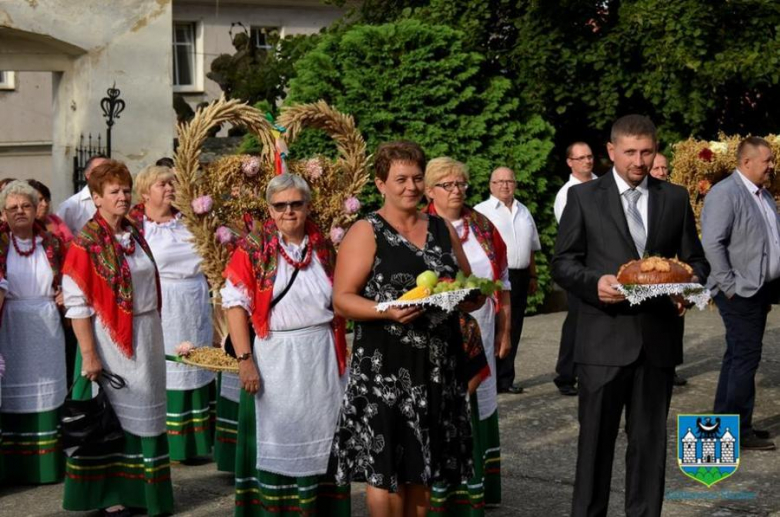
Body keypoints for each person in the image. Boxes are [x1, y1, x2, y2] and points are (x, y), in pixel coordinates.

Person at [553, 115, 708, 516]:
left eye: (647, 152)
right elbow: (563, 263)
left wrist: (688, 291)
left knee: (649, 448)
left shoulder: (674, 197)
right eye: (630, 153)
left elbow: (696, 261)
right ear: (611, 151)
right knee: (594, 450)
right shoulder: (583, 198)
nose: (639, 161)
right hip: (602, 343)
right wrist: (594, 284)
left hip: (657, 344)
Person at [330, 141, 477, 517]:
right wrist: (386, 310)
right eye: (400, 179)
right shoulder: (367, 230)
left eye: (416, 178)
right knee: (387, 471)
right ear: (380, 184)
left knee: (422, 469)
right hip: (385, 368)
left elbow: (466, 284)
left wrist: (466, 294)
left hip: (435, 367)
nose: (410, 187)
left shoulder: (442, 228)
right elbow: (342, 300)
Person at [221, 173, 350, 515]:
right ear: (269, 209)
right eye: (280, 205)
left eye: (296, 204)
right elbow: (236, 305)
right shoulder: (252, 249)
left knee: (326, 431)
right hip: (275, 354)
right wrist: (245, 360)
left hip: (321, 352)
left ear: (308, 206)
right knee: (278, 436)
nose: (288, 211)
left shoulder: (324, 246)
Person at [61, 160, 173, 516]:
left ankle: (145, 495)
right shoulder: (86, 243)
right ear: (96, 198)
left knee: (147, 414)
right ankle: (111, 496)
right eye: (114, 192)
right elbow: (77, 305)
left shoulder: (134, 233)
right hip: (109, 339)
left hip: (146, 335)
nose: (123, 197)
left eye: (126, 190)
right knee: (115, 419)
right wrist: (89, 355)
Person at [423, 157, 511, 512]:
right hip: (439, 332)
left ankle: (478, 488)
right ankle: (441, 492)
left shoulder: (484, 226)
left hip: (483, 327)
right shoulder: (420, 226)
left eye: (461, 183)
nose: (456, 190)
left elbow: (503, 281)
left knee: (478, 402)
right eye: (447, 184)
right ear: (430, 191)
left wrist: (506, 330)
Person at [130, 164, 215, 461]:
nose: (170, 188)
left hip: (194, 297)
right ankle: (168, 443)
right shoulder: (137, 226)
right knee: (169, 368)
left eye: (172, 183)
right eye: (162, 184)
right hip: (163, 301)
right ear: (144, 193)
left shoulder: (191, 221)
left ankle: (195, 443)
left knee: (196, 364)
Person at [701, 136, 778, 451]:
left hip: (760, 289)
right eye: (768, 160)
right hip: (740, 292)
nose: (772, 166)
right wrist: (729, 286)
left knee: (738, 356)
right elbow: (712, 243)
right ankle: (737, 431)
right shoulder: (725, 193)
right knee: (745, 357)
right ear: (747, 162)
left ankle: (728, 425)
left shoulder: (764, 195)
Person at [0, 180, 67, 484]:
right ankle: (15, 469)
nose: (20, 212)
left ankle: (47, 468)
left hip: (46, 324)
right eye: (12, 207)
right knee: (13, 392)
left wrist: (67, 292)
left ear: (36, 208)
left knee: (47, 391)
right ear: (3, 214)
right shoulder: (0, 244)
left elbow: (70, 278)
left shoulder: (52, 244)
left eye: (26, 205)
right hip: (11, 323)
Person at [475, 167, 540, 394]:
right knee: (493, 326)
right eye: (499, 181)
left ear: (515, 184)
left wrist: (533, 274)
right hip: (494, 278)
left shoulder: (524, 211)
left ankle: (506, 378)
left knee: (515, 326)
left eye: (509, 181)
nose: (505, 185)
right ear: (491, 185)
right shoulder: (480, 211)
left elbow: (532, 246)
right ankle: (488, 378)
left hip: (521, 275)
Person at [552, 142, 598, 397]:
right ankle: (566, 374)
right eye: (580, 158)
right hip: (580, 266)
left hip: (601, 263)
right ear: (570, 162)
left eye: (589, 157)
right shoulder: (567, 193)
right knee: (577, 320)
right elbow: (570, 235)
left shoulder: (602, 183)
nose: (587, 162)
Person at [648, 153, 689, 387]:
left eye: (665, 168)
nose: (662, 173)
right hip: (651, 277)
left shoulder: (677, 198)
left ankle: (670, 367)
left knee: (676, 323)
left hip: (675, 276)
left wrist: (690, 291)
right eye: (657, 169)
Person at [56, 154, 109, 235]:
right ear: (88, 175)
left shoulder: (118, 200)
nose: (106, 174)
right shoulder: (71, 206)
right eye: (100, 170)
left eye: (109, 170)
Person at [27, 179, 74, 245]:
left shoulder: (55, 219)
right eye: (40, 200)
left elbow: (70, 241)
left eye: (46, 200)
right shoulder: (26, 226)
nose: (45, 204)